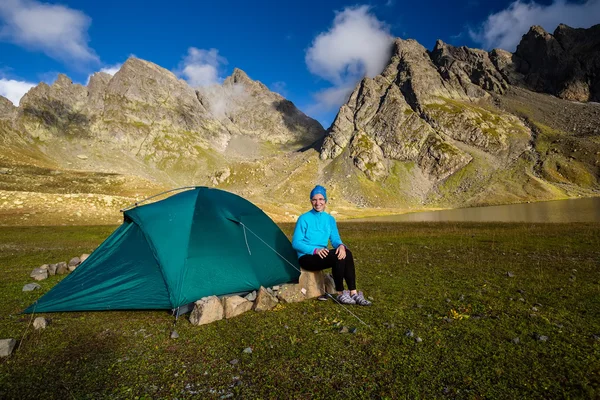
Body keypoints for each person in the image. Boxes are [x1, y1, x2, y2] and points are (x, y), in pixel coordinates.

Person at [291, 185, 371, 306]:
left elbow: (335, 239)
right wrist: (315, 250)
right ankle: (340, 293)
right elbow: (296, 243)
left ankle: (353, 293)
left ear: (325, 201)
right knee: (335, 257)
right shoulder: (304, 218)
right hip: (307, 257)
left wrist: (340, 245)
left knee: (346, 252)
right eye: (314, 199)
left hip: (322, 255)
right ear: (311, 201)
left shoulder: (330, 219)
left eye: (321, 199)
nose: (318, 203)